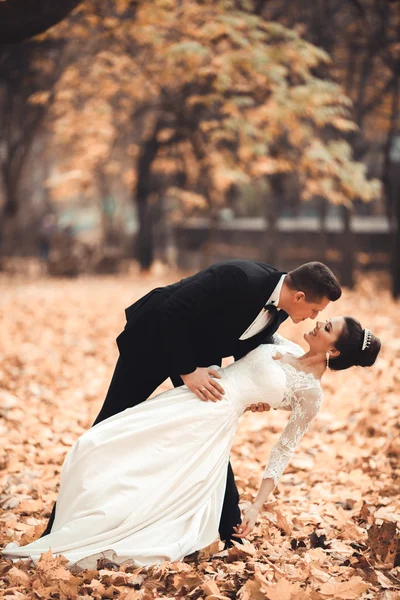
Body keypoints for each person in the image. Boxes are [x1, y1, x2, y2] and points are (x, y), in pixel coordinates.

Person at [3, 316, 381, 569]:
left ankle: (109, 530)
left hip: (213, 422)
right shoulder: (282, 343)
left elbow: (284, 448)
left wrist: (255, 507)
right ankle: (82, 518)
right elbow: (244, 346)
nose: (318, 322)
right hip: (193, 396)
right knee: (101, 445)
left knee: (153, 471)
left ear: (333, 351)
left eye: (327, 326)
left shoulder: (311, 394)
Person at [41, 260, 342, 545]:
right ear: (300, 297)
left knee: (209, 430)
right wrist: (188, 372)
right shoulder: (239, 277)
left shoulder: (278, 311)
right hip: (154, 339)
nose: (315, 317)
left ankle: (230, 528)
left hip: (201, 356)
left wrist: (258, 392)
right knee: (107, 427)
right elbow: (172, 310)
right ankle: (58, 526)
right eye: (315, 309)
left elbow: (247, 349)